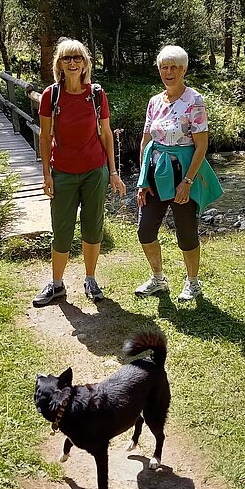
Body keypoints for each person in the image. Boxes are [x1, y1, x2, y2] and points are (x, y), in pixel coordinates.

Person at [33, 38, 126, 307]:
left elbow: (106, 134)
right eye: (66, 58)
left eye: (77, 58)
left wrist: (113, 171)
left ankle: (90, 279)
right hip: (62, 172)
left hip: (94, 172)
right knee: (61, 230)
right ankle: (57, 285)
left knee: (93, 226)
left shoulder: (96, 94)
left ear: (85, 63)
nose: (72, 63)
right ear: (59, 64)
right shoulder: (52, 95)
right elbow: (45, 136)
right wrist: (46, 174)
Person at [135, 44, 222, 301]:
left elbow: (202, 145)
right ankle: (157, 278)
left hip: (182, 173)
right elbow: (145, 140)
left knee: (186, 232)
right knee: (145, 231)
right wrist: (142, 179)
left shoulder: (194, 100)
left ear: (183, 69)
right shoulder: (154, 102)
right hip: (155, 172)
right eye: (164, 67)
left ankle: (193, 283)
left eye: (174, 67)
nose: (168, 72)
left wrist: (187, 181)